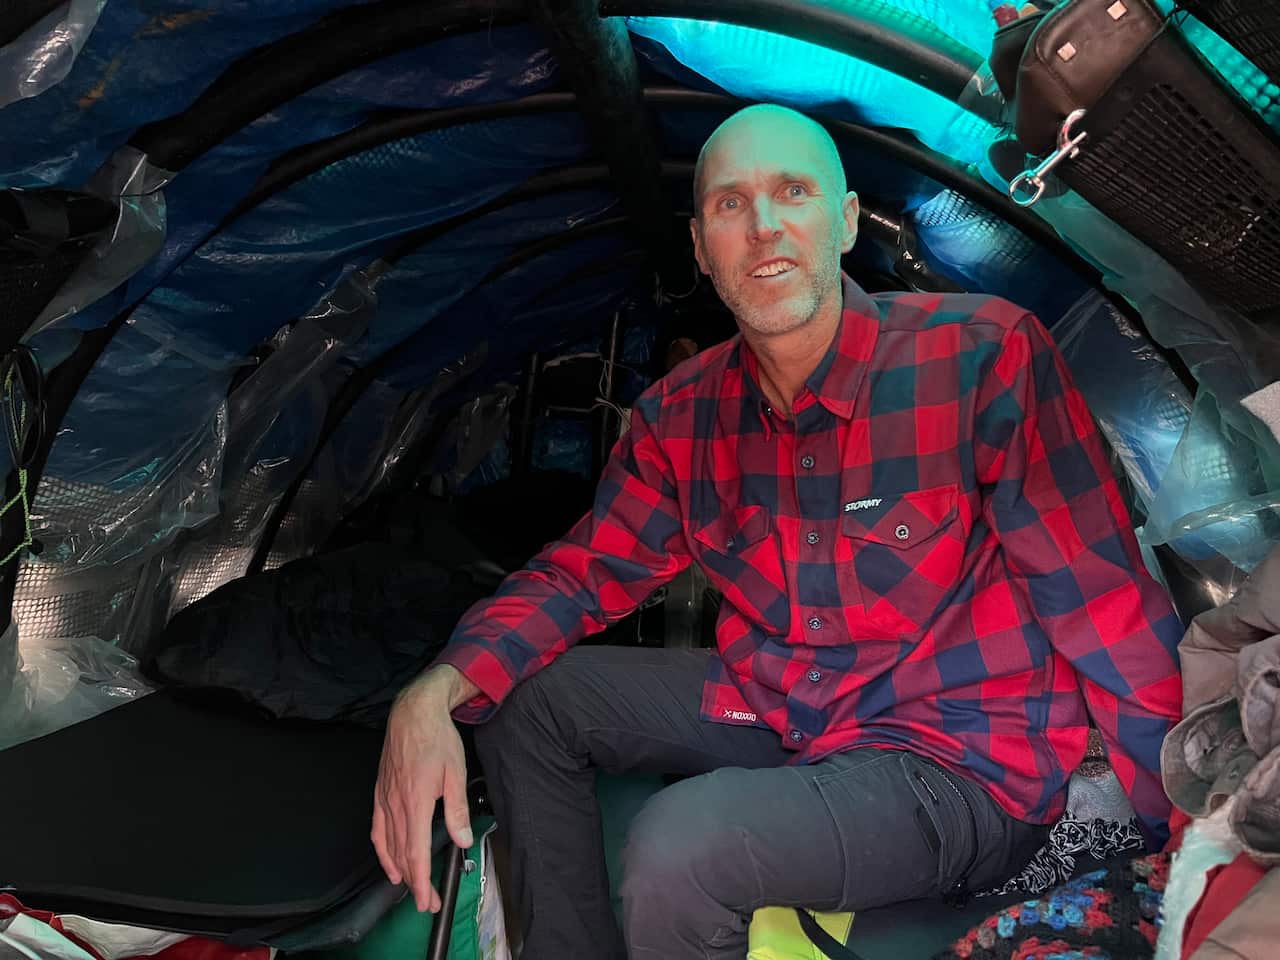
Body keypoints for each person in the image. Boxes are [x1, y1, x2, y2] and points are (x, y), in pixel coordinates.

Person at [371, 104, 1184, 959]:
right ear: (700, 248)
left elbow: (1100, 598)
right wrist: (433, 690)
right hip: (785, 706)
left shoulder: (981, 357)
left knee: (683, 846)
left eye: (792, 192)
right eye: (730, 205)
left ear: (842, 222)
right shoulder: (680, 415)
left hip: (959, 754)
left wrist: (1175, 819)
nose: (763, 226)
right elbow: (583, 573)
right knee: (529, 699)